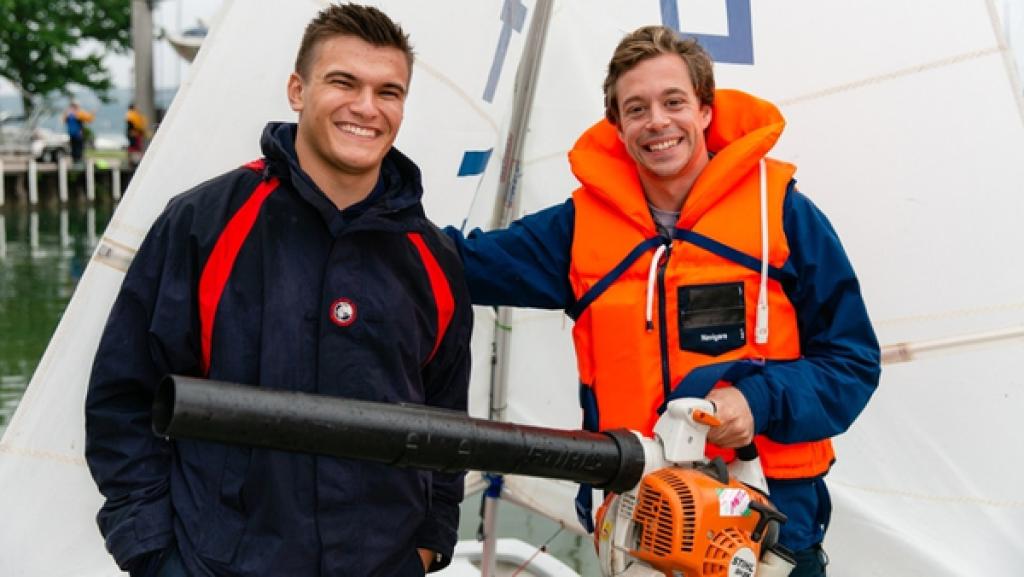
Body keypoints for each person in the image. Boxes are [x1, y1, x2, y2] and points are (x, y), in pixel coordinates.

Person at [445, 26, 881, 576]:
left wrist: (758, 402)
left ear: (704, 110)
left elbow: (852, 363)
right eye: (636, 108)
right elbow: (456, 265)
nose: (657, 122)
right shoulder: (576, 230)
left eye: (674, 102)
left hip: (767, 531)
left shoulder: (785, 216)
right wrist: (369, 204)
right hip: (636, 525)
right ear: (618, 127)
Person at [85, 4, 472, 576]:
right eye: (344, 82)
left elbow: (446, 424)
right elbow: (122, 400)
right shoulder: (204, 223)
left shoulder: (434, 260)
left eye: (388, 91)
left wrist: (427, 545)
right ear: (297, 89)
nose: (367, 107)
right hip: (217, 566)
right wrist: (153, 555)